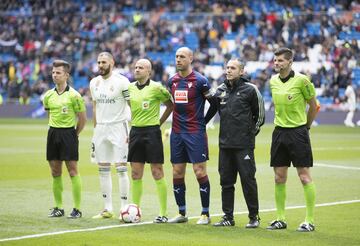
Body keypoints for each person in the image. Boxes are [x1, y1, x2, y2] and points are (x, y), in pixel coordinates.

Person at [267, 48, 317, 232]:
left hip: (298, 133)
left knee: (304, 177)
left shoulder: (302, 80)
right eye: (275, 60)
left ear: (290, 62)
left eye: (280, 60)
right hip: (279, 132)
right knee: (279, 178)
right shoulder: (272, 81)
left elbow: (313, 106)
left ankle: (309, 221)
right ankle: (280, 219)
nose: (277, 63)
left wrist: (306, 127)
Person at [212, 59, 265, 228]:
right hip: (225, 145)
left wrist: (249, 135)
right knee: (226, 182)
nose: (228, 70)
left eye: (232, 68)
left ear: (241, 71)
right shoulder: (220, 90)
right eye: (227, 67)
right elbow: (214, 111)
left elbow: (260, 116)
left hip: (244, 146)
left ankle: (254, 217)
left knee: (248, 180)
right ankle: (228, 217)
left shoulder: (251, 90)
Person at [167, 47, 217, 225]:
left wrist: (204, 121)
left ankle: (205, 214)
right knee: (177, 171)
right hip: (177, 133)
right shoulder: (172, 81)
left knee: (199, 171)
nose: (178, 59)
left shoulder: (200, 81)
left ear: (191, 58)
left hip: (195, 133)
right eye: (176, 56)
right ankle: (181, 213)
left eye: (182, 56)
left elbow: (215, 104)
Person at [128, 58, 173, 223]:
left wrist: (158, 123)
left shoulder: (157, 88)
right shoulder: (129, 88)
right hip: (135, 132)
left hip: (152, 133)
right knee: (135, 173)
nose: (137, 69)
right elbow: (131, 107)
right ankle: (134, 212)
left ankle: (163, 213)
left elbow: (170, 105)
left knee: (157, 172)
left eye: (141, 67)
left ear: (149, 71)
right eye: (136, 67)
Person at [43, 59, 87, 218]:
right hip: (53, 133)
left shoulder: (75, 96)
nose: (55, 75)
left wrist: (74, 134)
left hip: (69, 134)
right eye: (53, 72)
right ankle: (58, 207)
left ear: (66, 75)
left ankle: (77, 209)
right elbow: (49, 115)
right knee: (55, 171)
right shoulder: (48, 95)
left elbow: (82, 119)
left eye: (58, 73)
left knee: (73, 170)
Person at [89, 52, 130, 219]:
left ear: (112, 63)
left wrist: (132, 129)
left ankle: (124, 208)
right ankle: (107, 208)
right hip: (101, 129)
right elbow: (94, 106)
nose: (100, 65)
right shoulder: (94, 82)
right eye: (99, 62)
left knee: (121, 168)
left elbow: (130, 104)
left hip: (119, 127)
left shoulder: (122, 82)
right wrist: (95, 129)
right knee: (103, 169)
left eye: (104, 62)